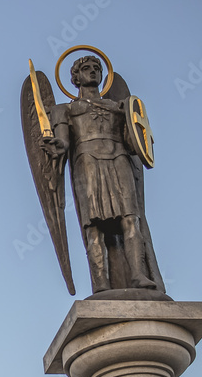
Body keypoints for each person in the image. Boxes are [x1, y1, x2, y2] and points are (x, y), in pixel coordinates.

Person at [44, 56, 157, 292]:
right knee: (94, 226)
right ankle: (100, 282)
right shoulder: (64, 110)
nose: (93, 72)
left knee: (131, 219)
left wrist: (129, 120)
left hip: (119, 160)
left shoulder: (118, 107)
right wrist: (57, 146)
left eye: (97, 68)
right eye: (86, 69)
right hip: (88, 163)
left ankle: (138, 274)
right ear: (76, 77)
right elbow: (65, 142)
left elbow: (133, 143)